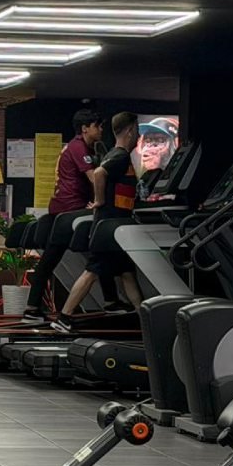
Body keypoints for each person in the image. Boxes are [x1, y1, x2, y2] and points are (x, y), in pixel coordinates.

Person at [21, 109, 125, 322]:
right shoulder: (78, 147)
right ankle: (33, 308)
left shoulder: (83, 147)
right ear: (85, 128)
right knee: (84, 251)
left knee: (94, 249)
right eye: (97, 126)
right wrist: (102, 201)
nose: (101, 129)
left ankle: (111, 301)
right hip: (69, 210)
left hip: (65, 208)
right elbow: (94, 177)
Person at [52, 110, 143, 331]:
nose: (139, 135)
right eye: (138, 130)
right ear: (130, 131)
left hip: (116, 226)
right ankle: (64, 317)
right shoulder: (120, 156)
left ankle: (145, 320)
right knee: (92, 271)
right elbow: (100, 173)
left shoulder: (113, 153)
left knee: (127, 273)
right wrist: (100, 200)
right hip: (109, 227)